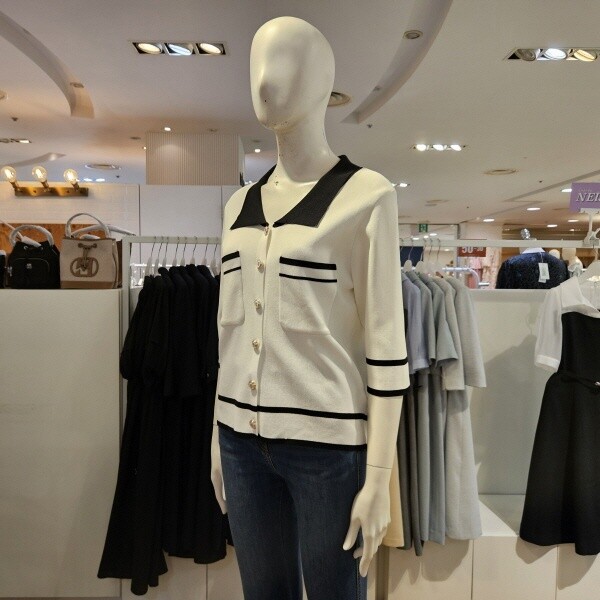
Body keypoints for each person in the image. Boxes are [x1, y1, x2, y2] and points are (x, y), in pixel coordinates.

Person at [210, 16, 409, 600]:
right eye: (257, 63)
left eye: (285, 63)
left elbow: (387, 349)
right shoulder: (237, 206)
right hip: (238, 443)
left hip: (328, 449)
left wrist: (380, 476)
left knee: (334, 593)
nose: (265, 80)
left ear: (325, 80)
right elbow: (228, 333)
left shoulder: (366, 196)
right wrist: (215, 436)